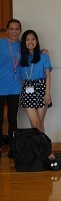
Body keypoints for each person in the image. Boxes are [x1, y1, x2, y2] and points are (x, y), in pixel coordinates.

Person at [19, 30, 53, 133]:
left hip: (42, 89)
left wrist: (47, 93)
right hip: (27, 90)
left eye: (33, 39)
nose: (30, 42)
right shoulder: (20, 57)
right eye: (27, 39)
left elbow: (48, 75)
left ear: (37, 41)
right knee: (34, 124)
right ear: (23, 42)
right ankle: (36, 148)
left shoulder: (43, 56)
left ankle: (42, 148)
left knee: (40, 123)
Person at [0, 19, 23, 157]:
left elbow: (34, 53)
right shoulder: (1, 43)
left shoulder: (22, 45)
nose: (14, 32)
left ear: (20, 30)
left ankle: (12, 147)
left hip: (14, 85)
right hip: (0, 85)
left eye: (17, 29)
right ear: (7, 30)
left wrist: (44, 51)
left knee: (12, 118)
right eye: (12, 29)